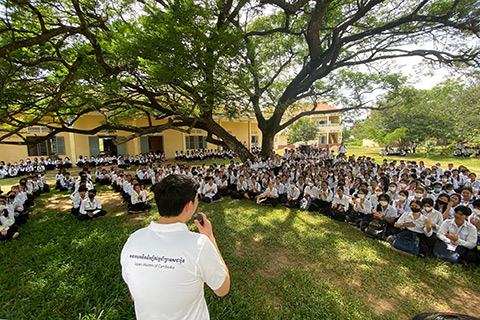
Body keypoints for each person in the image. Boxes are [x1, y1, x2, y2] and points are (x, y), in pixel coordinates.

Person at [120, 174, 230, 320]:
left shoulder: (133, 240)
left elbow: (135, 295)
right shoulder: (199, 245)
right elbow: (222, 289)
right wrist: (209, 238)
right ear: (189, 206)